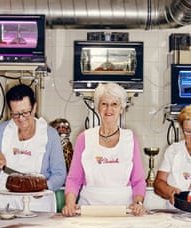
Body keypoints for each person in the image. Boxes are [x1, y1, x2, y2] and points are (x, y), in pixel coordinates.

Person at [0, 84, 66, 212]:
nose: (21, 119)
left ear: (34, 107)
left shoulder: (49, 134)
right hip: (3, 203)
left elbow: (60, 174)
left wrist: (45, 187)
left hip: (38, 203)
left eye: (25, 113)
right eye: (15, 114)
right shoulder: (4, 130)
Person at [61, 83, 147, 216]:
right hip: (89, 210)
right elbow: (74, 179)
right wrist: (70, 203)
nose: (109, 109)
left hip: (123, 211)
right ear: (97, 107)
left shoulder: (130, 139)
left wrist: (138, 204)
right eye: (104, 104)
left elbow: (138, 180)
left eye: (114, 104)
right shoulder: (84, 138)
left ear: (122, 108)